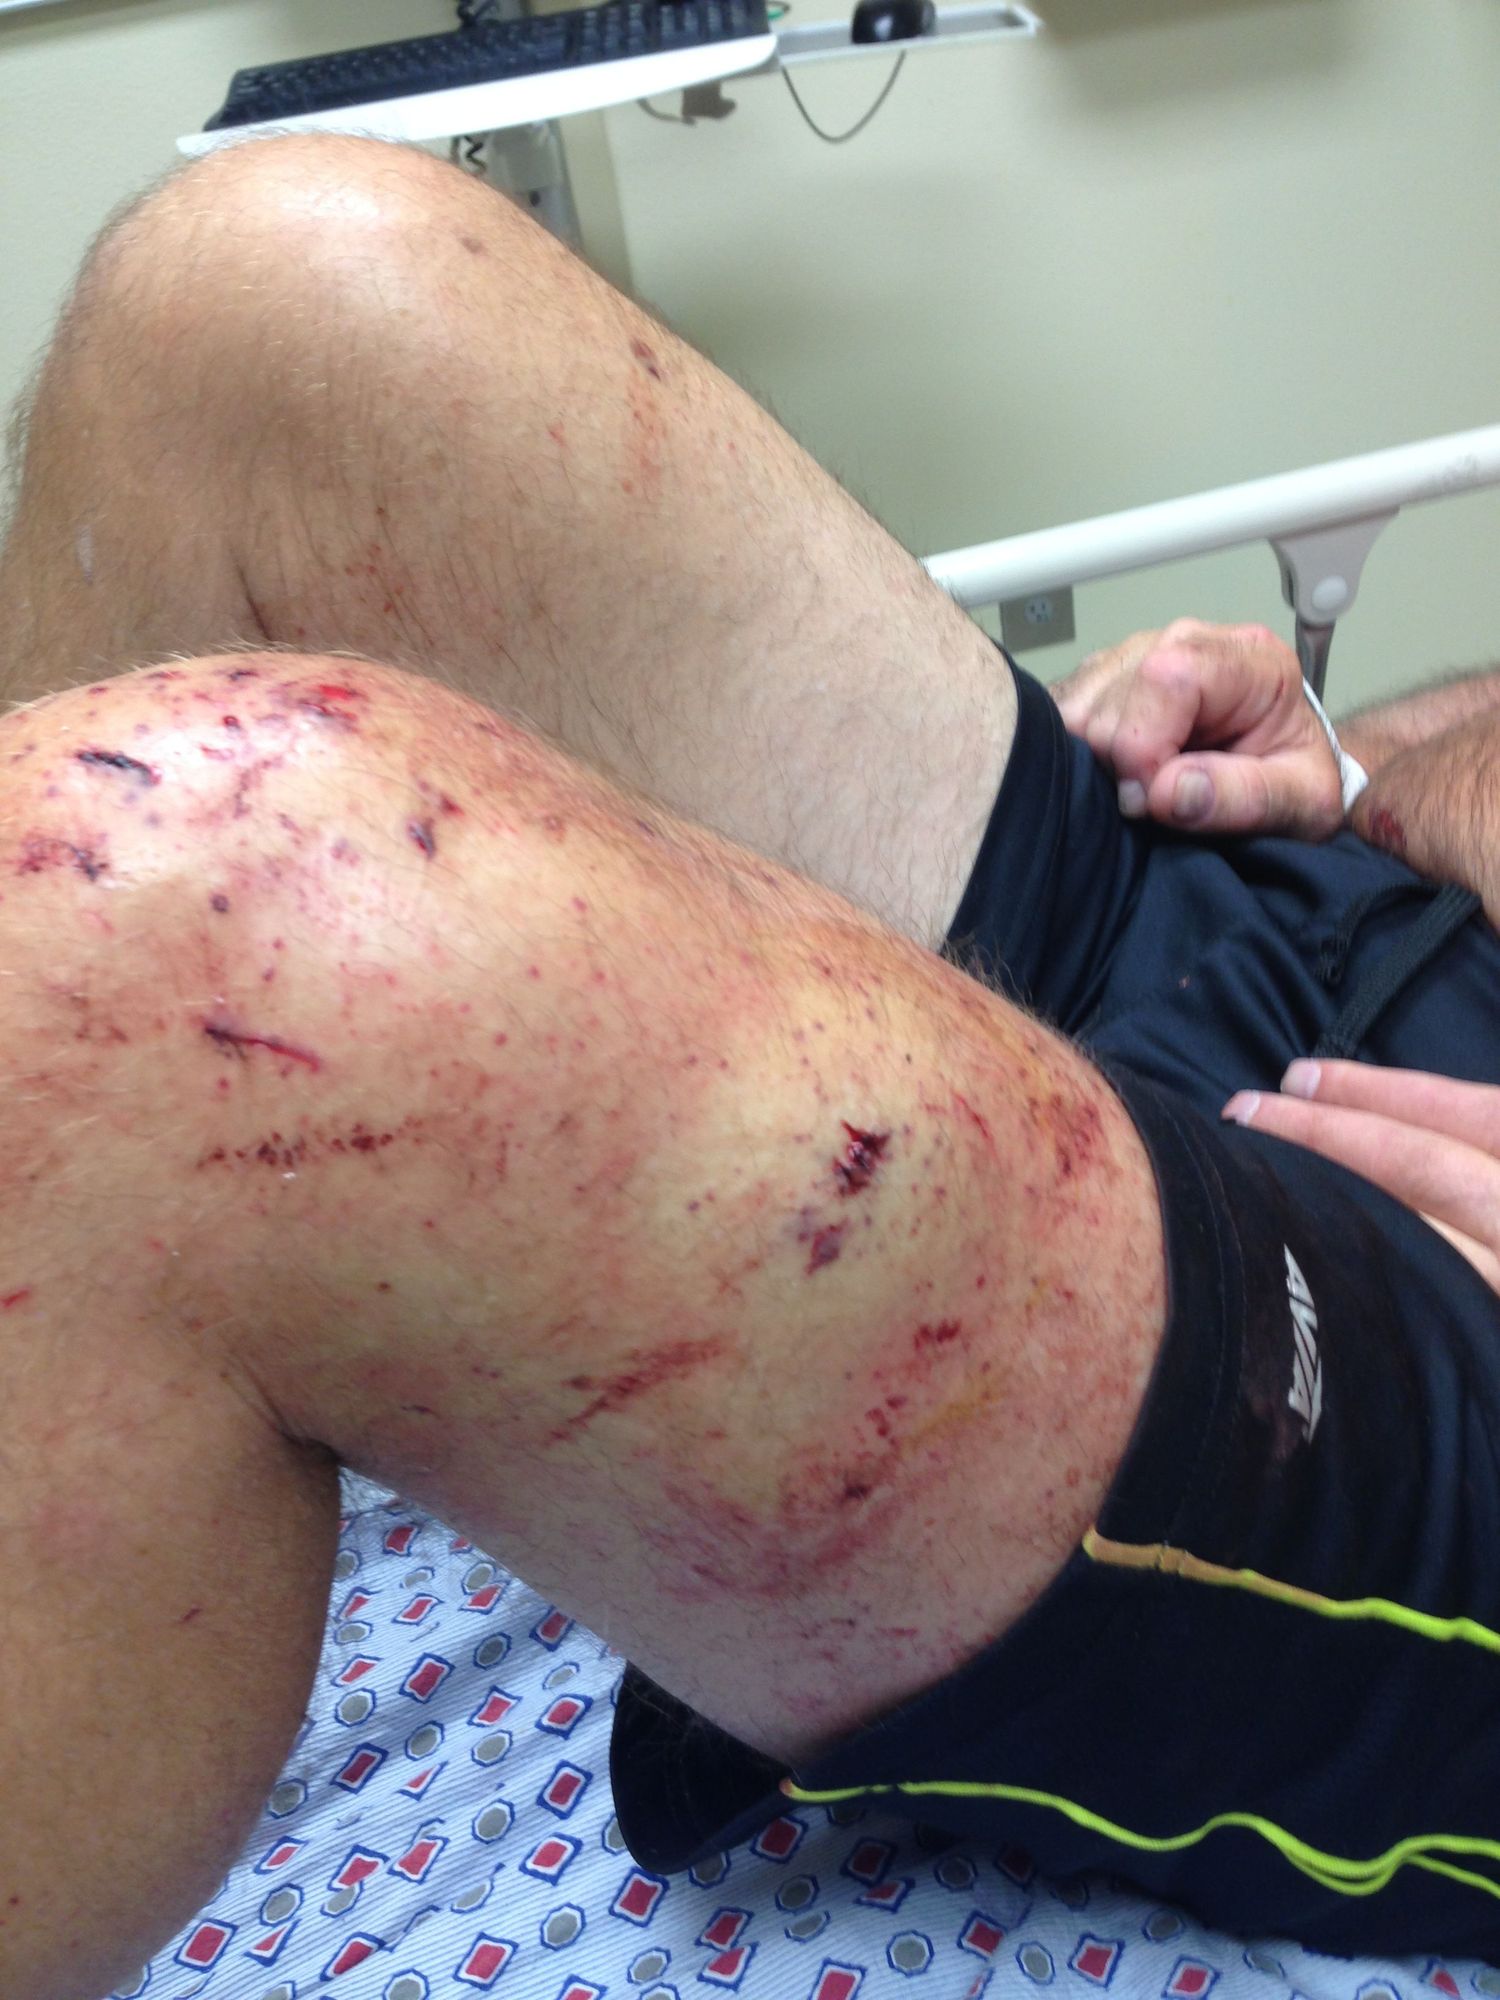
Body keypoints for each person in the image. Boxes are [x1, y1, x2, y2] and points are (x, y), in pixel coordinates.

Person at [0, 133, 1497, 1999]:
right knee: (255, 307)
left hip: (1451, 1294)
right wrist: (1366, 767)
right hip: (1320, 914)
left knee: (192, 926)